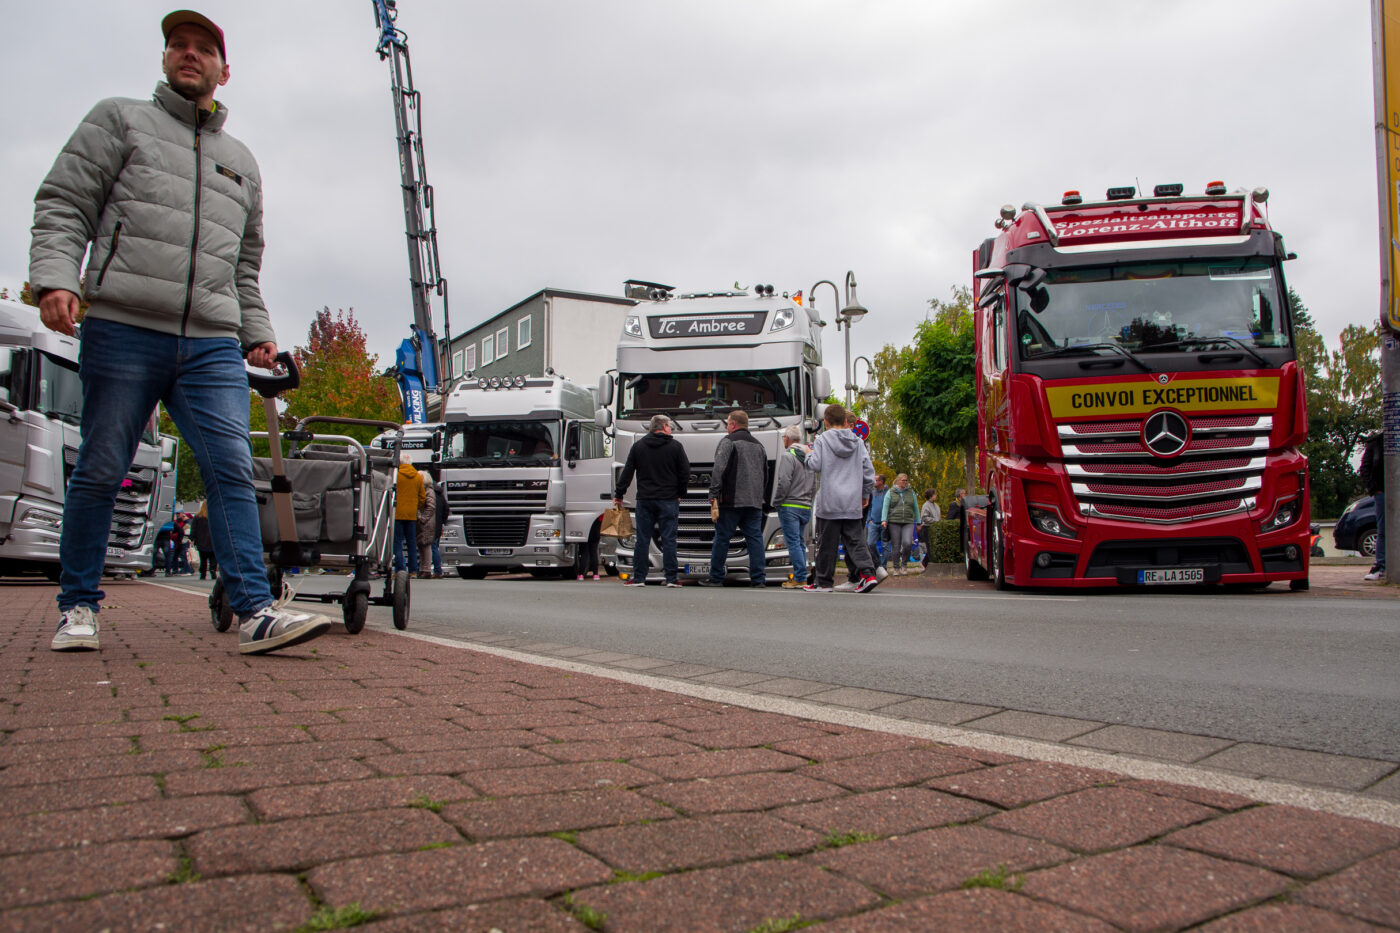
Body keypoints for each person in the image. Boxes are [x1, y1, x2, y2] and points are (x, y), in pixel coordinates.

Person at [27, 11, 332, 655]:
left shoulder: (241, 163)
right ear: (165, 59)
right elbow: (63, 202)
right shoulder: (118, 121)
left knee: (230, 466)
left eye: (203, 49)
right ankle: (78, 607)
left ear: (225, 70)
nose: (188, 55)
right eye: (177, 46)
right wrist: (57, 277)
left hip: (211, 344)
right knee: (104, 467)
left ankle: (253, 609)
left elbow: (244, 265)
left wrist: (258, 332)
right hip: (123, 326)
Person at [803, 404, 878, 593]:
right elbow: (868, 472)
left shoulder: (822, 440)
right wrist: (864, 494)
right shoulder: (858, 442)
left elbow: (816, 465)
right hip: (852, 501)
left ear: (826, 422)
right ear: (845, 421)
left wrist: (808, 455)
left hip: (829, 501)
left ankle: (824, 582)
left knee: (826, 544)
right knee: (856, 541)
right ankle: (868, 574)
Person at [614, 414, 689, 587]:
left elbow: (627, 472)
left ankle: (639, 578)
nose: (671, 429)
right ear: (662, 427)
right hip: (668, 499)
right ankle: (671, 578)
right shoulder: (675, 447)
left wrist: (619, 494)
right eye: (669, 426)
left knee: (642, 539)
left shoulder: (638, 446)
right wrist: (680, 492)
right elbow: (685, 471)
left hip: (645, 499)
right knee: (669, 539)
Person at [704, 410, 769, 587]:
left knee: (722, 538)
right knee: (755, 539)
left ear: (733, 424)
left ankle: (716, 577)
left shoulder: (728, 442)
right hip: (754, 501)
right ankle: (758, 579)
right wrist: (759, 495)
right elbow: (765, 474)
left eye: (727, 423)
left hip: (731, 501)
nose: (726, 426)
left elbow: (719, 469)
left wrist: (713, 494)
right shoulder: (759, 445)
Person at [773, 424, 816, 588]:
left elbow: (784, 482)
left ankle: (799, 577)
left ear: (787, 439)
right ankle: (801, 574)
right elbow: (813, 485)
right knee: (799, 542)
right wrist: (809, 501)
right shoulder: (809, 455)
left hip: (790, 504)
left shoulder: (788, 456)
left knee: (793, 543)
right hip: (805, 506)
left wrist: (777, 502)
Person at [881, 474, 919, 575]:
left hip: (908, 521)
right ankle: (896, 568)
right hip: (894, 521)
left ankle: (904, 564)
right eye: (903, 480)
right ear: (898, 481)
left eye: (906, 480)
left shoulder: (911, 493)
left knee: (907, 543)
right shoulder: (890, 492)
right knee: (896, 545)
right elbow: (885, 506)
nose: (905, 482)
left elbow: (916, 507)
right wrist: (884, 520)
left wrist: (918, 521)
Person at [394, 452, 425, 575]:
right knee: (412, 543)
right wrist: (414, 506)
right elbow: (422, 497)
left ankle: (400, 569)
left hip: (397, 513)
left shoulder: (396, 475)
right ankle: (413, 570)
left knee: (397, 543)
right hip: (411, 515)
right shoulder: (417, 477)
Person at [1361, 432, 1385, 581]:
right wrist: (1374, 488)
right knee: (1383, 529)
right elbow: (1365, 468)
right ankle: (1381, 566)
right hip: (1382, 492)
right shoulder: (1376, 442)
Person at [416, 472, 437, 579]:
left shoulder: (428, 491)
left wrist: (423, 518)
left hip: (426, 522)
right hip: (424, 521)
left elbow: (431, 506)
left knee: (426, 545)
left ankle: (426, 569)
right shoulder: (426, 490)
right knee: (421, 545)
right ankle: (423, 568)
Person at [866, 474, 889, 569]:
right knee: (870, 543)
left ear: (881, 482)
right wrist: (869, 519)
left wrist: (887, 520)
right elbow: (869, 506)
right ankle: (878, 563)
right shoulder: (872, 492)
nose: (873, 482)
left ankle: (883, 566)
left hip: (885, 523)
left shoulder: (888, 493)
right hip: (873, 522)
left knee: (885, 546)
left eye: (875, 480)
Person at [192, 502, 217, 580]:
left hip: (201, 541)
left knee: (203, 559)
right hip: (213, 541)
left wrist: (192, 538)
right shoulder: (214, 515)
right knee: (213, 557)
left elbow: (194, 529)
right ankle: (213, 569)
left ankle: (203, 573)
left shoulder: (197, 517)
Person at [919, 488, 941, 568]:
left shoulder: (936, 505)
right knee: (929, 547)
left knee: (933, 547)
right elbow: (924, 517)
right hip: (927, 528)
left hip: (934, 528)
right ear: (931, 496)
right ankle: (927, 563)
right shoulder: (926, 505)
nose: (936, 496)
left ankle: (926, 562)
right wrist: (935, 520)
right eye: (935, 494)